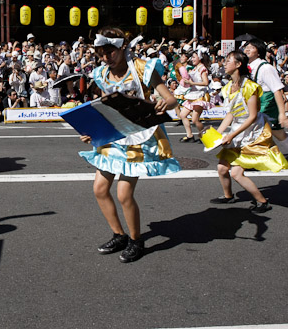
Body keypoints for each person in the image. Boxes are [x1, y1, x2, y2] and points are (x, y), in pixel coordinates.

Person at [78, 27, 181, 263]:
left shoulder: (144, 69)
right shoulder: (101, 74)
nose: (105, 57)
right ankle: (119, 235)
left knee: (124, 193)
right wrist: (90, 132)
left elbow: (172, 99)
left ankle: (136, 241)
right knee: (100, 189)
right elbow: (105, 107)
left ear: (122, 48)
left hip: (139, 136)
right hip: (113, 136)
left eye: (110, 52)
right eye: (101, 53)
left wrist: (165, 103)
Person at [210, 51, 288, 212]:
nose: (224, 64)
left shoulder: (250, 87)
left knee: (236, 173)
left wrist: (231, 135)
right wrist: (216, 134)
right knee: (222, 168)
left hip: (253, 132)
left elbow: (252, 116)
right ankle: (228, 196)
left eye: (228, 61)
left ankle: (262, 201)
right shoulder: (228, 88)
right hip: (238, 129)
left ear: (238, 64)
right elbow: (231, 114)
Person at [244, 39, 288, 165]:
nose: (247, 49)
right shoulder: (248, 66)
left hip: (267, 102)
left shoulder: (265, 68)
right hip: (258, 100)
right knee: (277, 131)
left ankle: (255, 160)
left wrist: (282, 114)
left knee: (254, 130)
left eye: (252, 47)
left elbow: (277, 90)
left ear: (259, 52)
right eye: (246, 47)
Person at [177, 51, 212, 142]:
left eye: (194, 57)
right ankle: (190, 136)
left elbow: (205, 82)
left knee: (195, 120)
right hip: (192, 94)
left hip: (199, 95)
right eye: (192, 57)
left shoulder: (202, 69)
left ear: (199, 58)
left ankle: (204, 136)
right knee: (182, 115)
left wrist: (192, 83)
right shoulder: (194, 68)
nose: (192, 59)